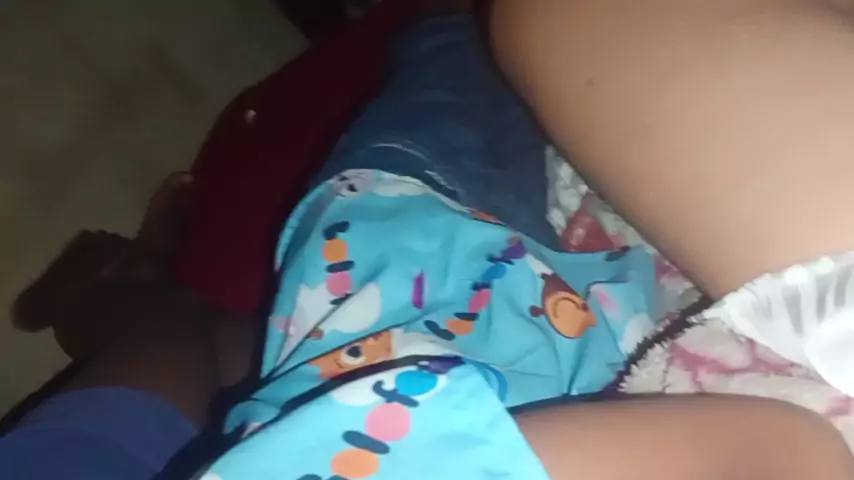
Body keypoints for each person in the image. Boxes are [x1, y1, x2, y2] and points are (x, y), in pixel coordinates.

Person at [3, 1, 854, 479]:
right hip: (504, 317)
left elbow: (784, 454)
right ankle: (120, 301)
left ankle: (123, 296)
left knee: (456, 50)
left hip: (437, 238)